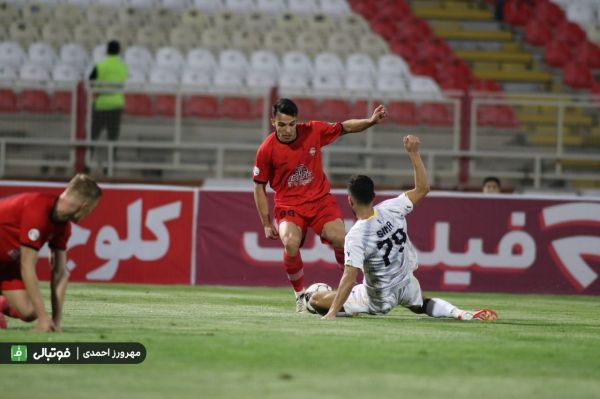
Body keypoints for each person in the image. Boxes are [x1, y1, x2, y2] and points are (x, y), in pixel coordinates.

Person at [309, 135, 498, 322]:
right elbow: (423, 188)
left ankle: (347, 310)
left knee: (315, 300)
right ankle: (458, 313)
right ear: (373, 196)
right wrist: (414, 153)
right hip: (406, 283)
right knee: (421, 305)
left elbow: (349, 279)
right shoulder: (392, 207)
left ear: (350, 200)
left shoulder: (356, 236)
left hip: (378, 297)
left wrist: (332, 312)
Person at [253, 98, 388, 312]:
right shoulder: (266, 149)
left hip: (320, 201)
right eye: (282, 125)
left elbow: (345, 127)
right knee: (289, 243)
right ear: (273, 122)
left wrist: (371, 121)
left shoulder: (313, 131)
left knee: (341, 239)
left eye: (291, 124)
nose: (287, 130)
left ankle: (350, 288)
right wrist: (266, 223)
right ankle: (299, 295)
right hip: (289, 204)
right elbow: (259, 187)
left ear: (297, 121)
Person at [0, 174, 102, 331]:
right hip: (10, 261)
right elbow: (27, 266)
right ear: (83, 206)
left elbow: (60, 273)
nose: (89, 214)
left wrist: (55, 321)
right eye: (91, 210)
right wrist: (43, 318)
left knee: (30, 312)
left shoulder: (63, 226)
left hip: (6, 264)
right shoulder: (36, 209)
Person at [89, 40, 128, 166]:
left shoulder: (101, 65)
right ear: (118, 51)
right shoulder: (123, 66)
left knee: (93, 135)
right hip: (116, 104)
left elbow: (91, 80)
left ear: (107, 50)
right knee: (113, 137)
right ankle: (110, 164)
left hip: (101, 104)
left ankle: (87, 163)